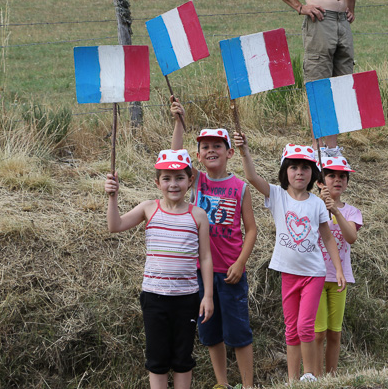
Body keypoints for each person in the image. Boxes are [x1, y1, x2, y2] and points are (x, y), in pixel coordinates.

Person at [233, 133, 347, 382]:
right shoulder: (277, 196)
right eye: (294, 167)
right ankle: (293, 379)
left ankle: (309, 375)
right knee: (291, 329)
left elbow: (328, 238)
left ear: (313, 174)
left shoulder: (317, 203)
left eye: (306, 168)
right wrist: (244, 151)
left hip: (314, 274)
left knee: (306, 326)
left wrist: (338, 269)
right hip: (288, 273)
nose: (299, 173)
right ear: (285, 171)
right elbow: (252, 177)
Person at [105, 149, 213, 389]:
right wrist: (113, 197)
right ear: (157, 182)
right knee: (157, 358)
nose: (173, 184)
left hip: (187, 298)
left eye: (179, 178)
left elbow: (205, 257)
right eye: (166, 178)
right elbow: (115, 225)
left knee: (183, 358)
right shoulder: (149, 209)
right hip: (154, 297)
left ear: (190, 180)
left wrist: (207, 296)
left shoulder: (198, 215)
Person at [170, 99, 258, 389]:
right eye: (205, 147)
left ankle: (246, 385)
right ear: (198, 155)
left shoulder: (240, 187)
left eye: (217, 145)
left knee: (239, 332)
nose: (211, 150)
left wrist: (240, 262)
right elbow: (175, 156)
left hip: (231, 272)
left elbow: (252, 230)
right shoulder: (196, 182)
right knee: (210, 331)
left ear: (229, 152)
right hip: (201, 273)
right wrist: (178, 122)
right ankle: (223, 383)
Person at [266, 0, 356, 158]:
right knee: (319, 83)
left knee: (342, 83)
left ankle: (332, 147)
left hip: (342, 24)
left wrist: (351, 9)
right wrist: (299, 6)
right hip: (319, 22)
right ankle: (317, 147)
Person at [314, 156, 362, 376]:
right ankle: (315, 376)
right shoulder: (312, 206)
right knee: (318, 333)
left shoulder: (351, 212)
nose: (337, 180)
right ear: (320, 181)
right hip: (315, 276)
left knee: (334, 332)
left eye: (343, 176)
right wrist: (322, 206)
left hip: (340, 279)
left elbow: (351, 237)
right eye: (331, 175)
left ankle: (331, 376)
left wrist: (337, 212)